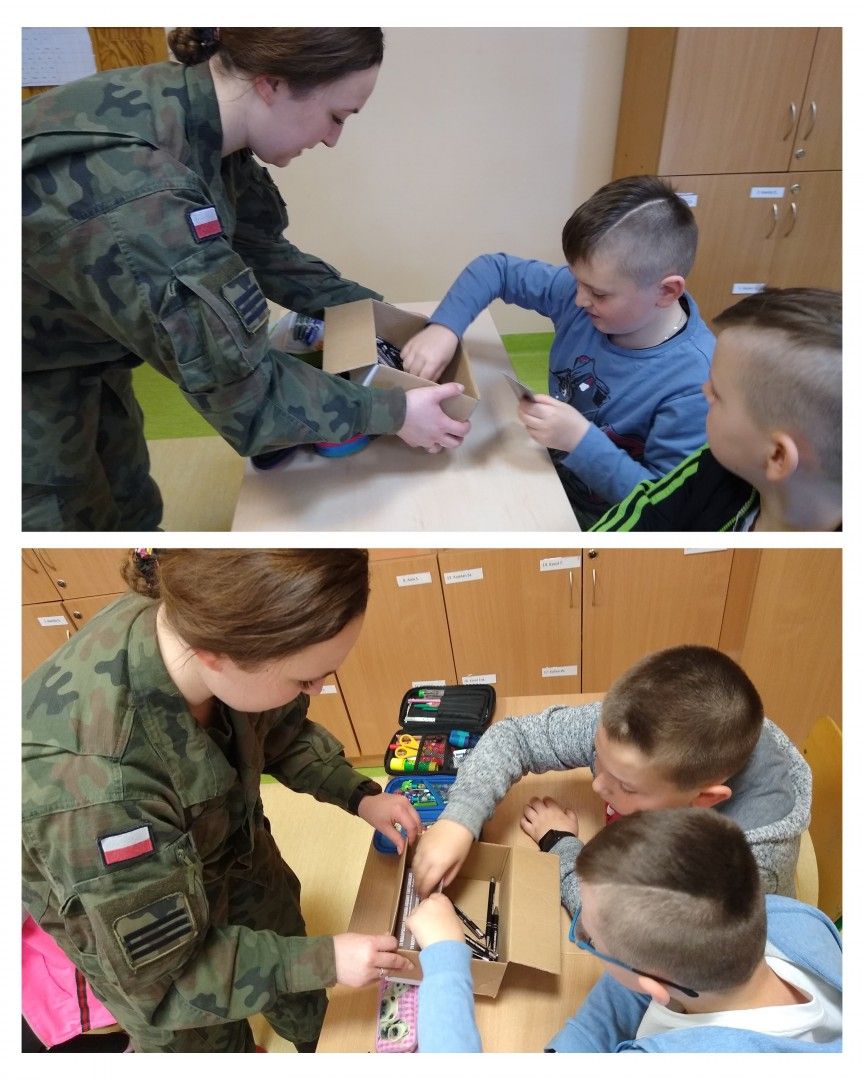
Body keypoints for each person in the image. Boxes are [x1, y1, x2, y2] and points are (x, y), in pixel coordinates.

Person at [22, 28, 470, 531]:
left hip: (80, 348)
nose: (332, 139)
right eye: (336, 116)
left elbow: (264, 254)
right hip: (27, 374)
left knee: (129, 505)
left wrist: (383, 318)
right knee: (60, 527)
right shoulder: (138, 191)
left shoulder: (200, 118)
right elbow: (245, 396)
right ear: (272, 83)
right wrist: (394, 412)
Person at [21, 548, 420, 1053]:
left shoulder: (212, 627)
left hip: (237, 861)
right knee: (213, 1045)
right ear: (216, 655)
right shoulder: (96, 790)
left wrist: (359, 795)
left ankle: (316, 1043)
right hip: (161, 964)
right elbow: (174, 979)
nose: (319, 689)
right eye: (305, 679)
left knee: (302, 988)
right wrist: (325, 960)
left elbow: (277, 728)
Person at [400, 175, 714, 525]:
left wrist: (580, 441)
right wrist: (444, 328)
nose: (579, 299)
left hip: (608, 519)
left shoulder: (695, 384)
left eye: (598, 293)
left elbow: (664, 509)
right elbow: (494, 269)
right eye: (577, 281)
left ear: (666, 292)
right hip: (549, 469)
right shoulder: (583, 295)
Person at [410, 645, 811, 917]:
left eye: (625, 786)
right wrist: (459, 818)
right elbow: (514, 737)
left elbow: (611, 919)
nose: (598, 785)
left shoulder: (737, 871)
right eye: (597, 757)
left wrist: (559, 843)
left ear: (704, 798)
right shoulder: (636, 734)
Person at [407, 809, 842, 1052]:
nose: (580, 934)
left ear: (654, 984)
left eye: (589, 939)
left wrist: (446, 960)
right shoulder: (787, 916)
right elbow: (637, 983)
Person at [590, 287, 842, 531]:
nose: (704, 390)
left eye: (718, 394)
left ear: (776, 456)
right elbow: (645, 513)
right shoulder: (715, 465)